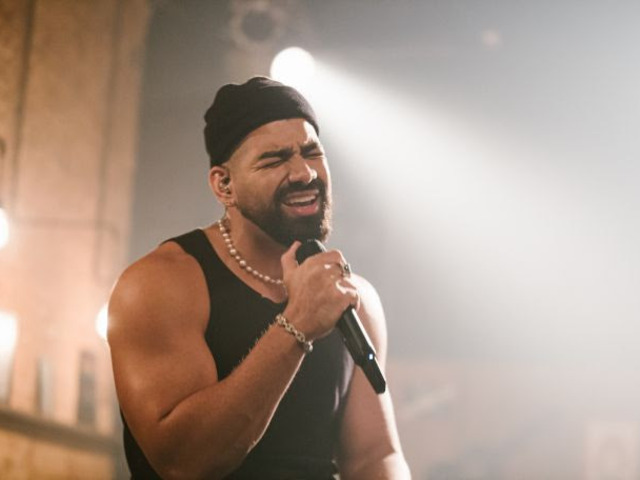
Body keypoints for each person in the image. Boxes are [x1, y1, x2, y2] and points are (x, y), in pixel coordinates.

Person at [108, 77, 411, 479]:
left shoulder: (352, 295)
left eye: (312, 152)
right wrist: (297, 324)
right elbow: (185, 463)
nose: (303, 172)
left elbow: (374, 456)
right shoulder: (160, 284)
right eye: (274, 160)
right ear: (225, 185)